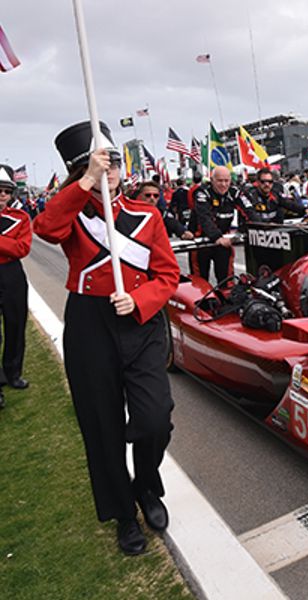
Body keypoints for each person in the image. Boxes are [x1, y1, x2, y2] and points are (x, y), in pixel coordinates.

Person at [33, 121, 179, 555]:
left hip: (139, 320)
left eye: (112, 160)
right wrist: (85, 182)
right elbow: (45, 228)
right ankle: (121, 513)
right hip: (90, 324)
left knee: (154, 418)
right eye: (97, 162)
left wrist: (140, 300)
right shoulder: (72, 211)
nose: (108, 168)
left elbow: (168, 275)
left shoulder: (147, 214)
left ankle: (147, 486)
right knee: (102, 425)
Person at [0, 164, 32, 407]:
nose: (2, 195)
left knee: (15, 325)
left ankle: (13, 372)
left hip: (11, 275)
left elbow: (22, 248)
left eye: (6, 191)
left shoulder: (19, 218)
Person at [190, 165, 239, 284]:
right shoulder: (202, 192)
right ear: (212, 180)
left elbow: (248, 210)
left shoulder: (234, 193)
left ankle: (226, 301)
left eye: (226, 181)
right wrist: (217, 237)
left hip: (223, 242)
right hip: (201, 243)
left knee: (227, 282)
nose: (223, 184)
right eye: (219, 181)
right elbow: (204, 217)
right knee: (199, 284)